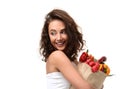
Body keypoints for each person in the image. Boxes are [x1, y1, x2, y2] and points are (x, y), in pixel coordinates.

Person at [39, 9, 94, 89]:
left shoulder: (72, 60)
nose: (59, 38)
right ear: (48, 36)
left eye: (63, 32)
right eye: (53, 33)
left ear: (70, 33)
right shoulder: (57, 56)